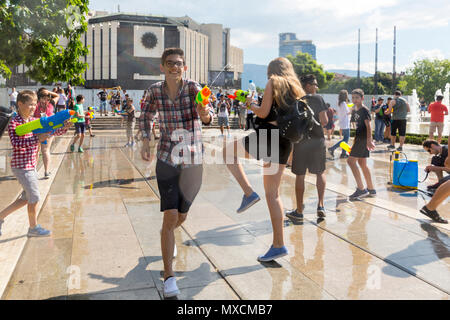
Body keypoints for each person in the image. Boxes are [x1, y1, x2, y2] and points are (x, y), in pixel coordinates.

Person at [139, 48, 213, 298]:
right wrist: (146, 140)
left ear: (185, 67)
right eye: (170, 63)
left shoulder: (194, 88)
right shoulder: (154, 91)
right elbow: (146, 116)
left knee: (180, 217)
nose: (174, 67)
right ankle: (169, 276)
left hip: (193, 161)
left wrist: (205, 114)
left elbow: (207, 114)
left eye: (179, 64)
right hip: (166, 158)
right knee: (169, 217)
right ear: (162, 66)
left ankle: (166, 236)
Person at [223, 57, 304, 262]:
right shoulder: (296, 88)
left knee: (227, 153)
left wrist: (250, 104)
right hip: (285, 142)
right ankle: (278, 245)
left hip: (268, 137)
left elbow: (263, 113)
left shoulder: (273, 82)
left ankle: (249, 193)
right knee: (273, 195)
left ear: (272, 70)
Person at [0, 90, 71, 237]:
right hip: (21, 166)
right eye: (30, 105)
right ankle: (33, 228)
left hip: (31, 164)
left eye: (34, 104)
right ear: (20, 104)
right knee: (35, 197)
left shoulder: (33, 121)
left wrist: (63, 128)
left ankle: (0, 218)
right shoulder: (15, 122)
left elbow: (51, 132)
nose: (33, 107)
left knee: (26, 199)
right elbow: (16, 143)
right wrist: (36, 139)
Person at [286, 74, 328, 221]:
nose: (316, 87)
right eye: (315, 84)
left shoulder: (296, 100)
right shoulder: (318, 99)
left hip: (301, 143)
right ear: (308, 85)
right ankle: (321, 205)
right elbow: (324, 120)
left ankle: (299, 211)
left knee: (300, 175)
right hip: (317, 141)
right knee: (320, 172)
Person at [347, 89, 376, 200]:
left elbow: (368, 126)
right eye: (353, 98)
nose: (354, 100)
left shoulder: (364, 110)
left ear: (362, 98)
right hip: (359, 139)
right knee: (362, 164)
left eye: (357, 98)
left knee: (350, 161)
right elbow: (356, 126)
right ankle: (371, 189)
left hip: (363, 140)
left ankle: (361, 189)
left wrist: (369, 140)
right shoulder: (356, 109)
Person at [420, 138, 449, 223]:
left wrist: (436, 167)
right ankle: (430, 208)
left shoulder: (447, 150)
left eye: (429, 150)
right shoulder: (437, 157)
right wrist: (434, 168)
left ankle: (429, 208)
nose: (430, 153)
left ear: (432, 146)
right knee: (435, 161)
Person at [34, 88, 58, 179]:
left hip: (40, 129)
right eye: (45, 97)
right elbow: (57, 96)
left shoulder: (35, 104)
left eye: (47, 97)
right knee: (43, 150)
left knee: (39, 150)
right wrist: (49, 92)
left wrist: (45, 92)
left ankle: (39, 170)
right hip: (44, 129)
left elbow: (58, 96)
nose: (46, 99)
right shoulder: (50, 103)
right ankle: (45, 171)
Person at [328, 90, 351, 159]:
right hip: (345, 123)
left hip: (343, 122)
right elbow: (347, 112)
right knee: (345, 139)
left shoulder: (340, 103)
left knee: (345, 139)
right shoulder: (343, 104)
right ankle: (332, 148)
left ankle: (343, 153)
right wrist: (353, 109)